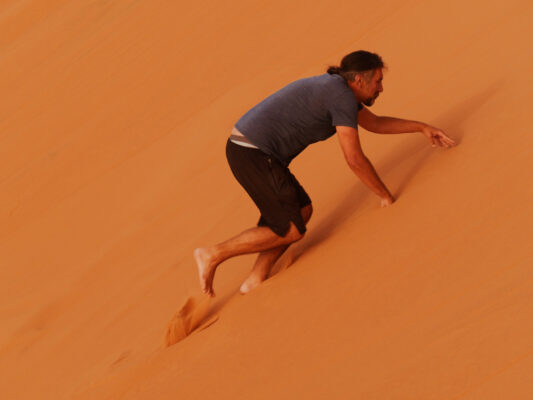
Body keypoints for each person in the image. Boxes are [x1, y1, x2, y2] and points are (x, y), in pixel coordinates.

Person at [194, 50, 456, 296]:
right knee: (291, 229)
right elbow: (353, 159)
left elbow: (374, 123)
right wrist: (385, 196)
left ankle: (256, 277)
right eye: (377, 81)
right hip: (252, 152)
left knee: (302, 211)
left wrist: (422, 128)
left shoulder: (338, 91)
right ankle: (214, 253)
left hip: (255, 151)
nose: (381, 87)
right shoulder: (339, 96)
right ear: (358, 80)